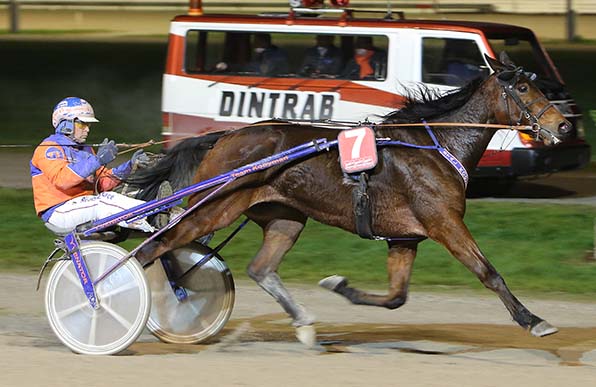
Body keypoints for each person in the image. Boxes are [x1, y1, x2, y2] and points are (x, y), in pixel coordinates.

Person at [30, 96, 158, 234]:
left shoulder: (85, 149)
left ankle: (163, 212)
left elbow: (101, 184)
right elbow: (62, 180)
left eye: (88, 125)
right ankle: (153, 215)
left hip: (83, 205)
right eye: (82, 124)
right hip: (59, 211)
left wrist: (130, 166)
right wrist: (97, 160)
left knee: (115, 196)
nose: (87, 130)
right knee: (104, 202)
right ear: (65, 124)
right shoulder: (49, 149)